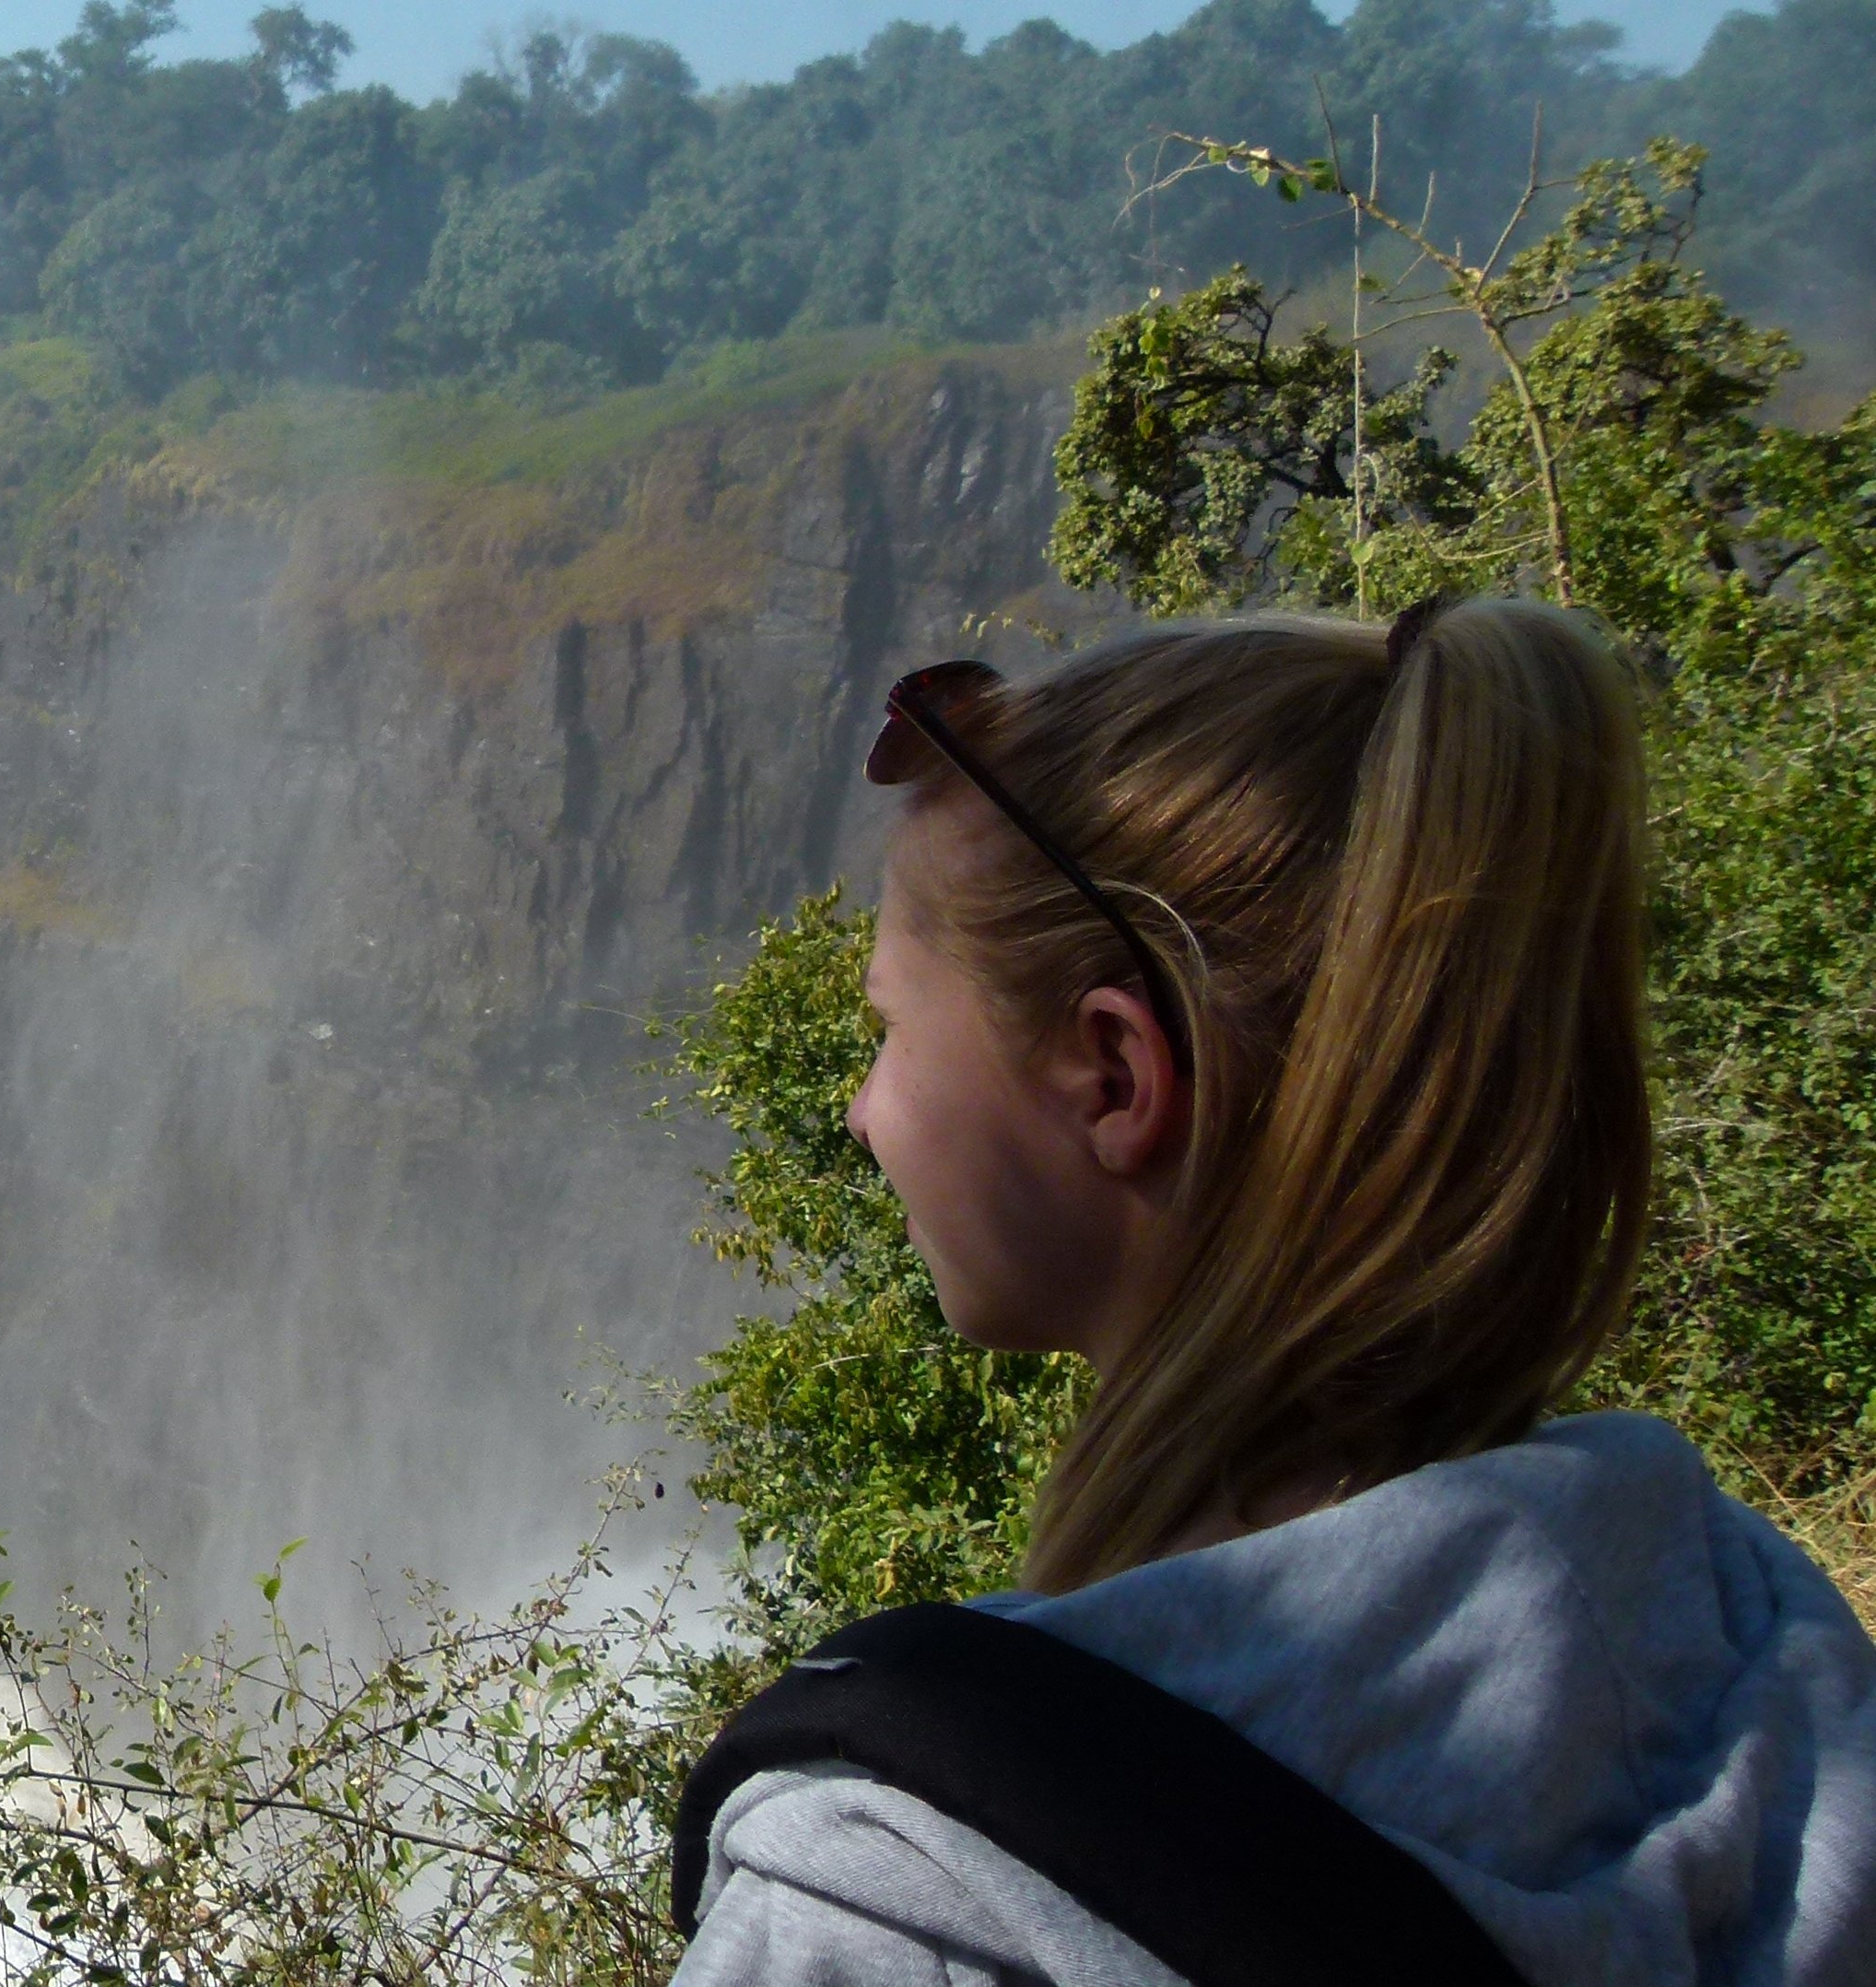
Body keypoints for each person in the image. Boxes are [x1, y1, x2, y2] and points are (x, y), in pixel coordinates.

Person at [673, 602, 1876, 1984]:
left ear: (1115, 1077)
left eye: (889, 1028)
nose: (860, 1113)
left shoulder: (898, 1898)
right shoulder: (1754, 1652)